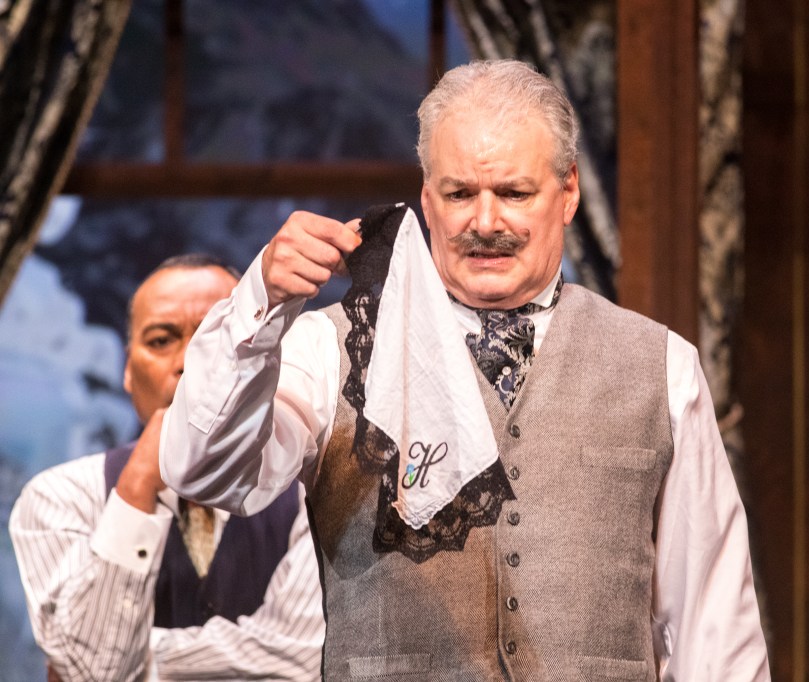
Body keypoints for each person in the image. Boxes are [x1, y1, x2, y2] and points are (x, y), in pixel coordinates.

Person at [161, 60, 770, 680]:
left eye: (513, 193)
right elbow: (205, 471)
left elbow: (714, 627)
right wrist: (260, 305)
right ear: (427, 200)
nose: (485, 222)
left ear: (568, 193)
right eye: (459, 195)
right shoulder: (328, 348)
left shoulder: (660, 365)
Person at [9, 255, 324, 681]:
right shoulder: (60, 496)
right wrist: (136, 487)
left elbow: (302, 659)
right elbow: (92, 673)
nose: (189, 362)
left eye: (217, 337)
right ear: (127, 369)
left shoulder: (311, 493)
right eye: (160, 341)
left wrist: (136, 663)